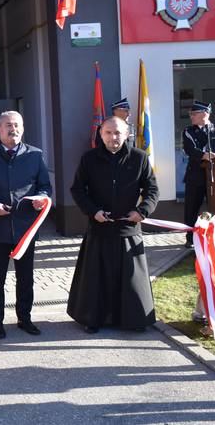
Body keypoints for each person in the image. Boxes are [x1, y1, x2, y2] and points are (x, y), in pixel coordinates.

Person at [67, 116, 159, 333]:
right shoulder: (89, 159)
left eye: (118, 132)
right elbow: (77, 190)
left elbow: (152, 190)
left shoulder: (139, 157)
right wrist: (93, 211)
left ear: (126, 134)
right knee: (96, 278)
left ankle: (134, 320)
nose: (113, 137)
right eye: (108, 132)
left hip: (128, 229)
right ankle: (93, 319)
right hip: (99, 227)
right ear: (101, 134)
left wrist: (142, 211)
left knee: (131, 280)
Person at [0, 111, 51, 339]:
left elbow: (45, 186)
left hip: (26, 228)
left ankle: (24, 318)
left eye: (17, 125)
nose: (13, 129)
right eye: (8, 125)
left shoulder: (35, 155)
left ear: (23, 129)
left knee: (25, 278)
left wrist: (42, 198)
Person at [182, 100, 215, 247]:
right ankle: (190, 238)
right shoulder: (188, 131)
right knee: (191, 209)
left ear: (205, 114)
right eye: (190, 114)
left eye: (194, 114)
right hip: (196, 176)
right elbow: (190, 150)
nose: (191, 116)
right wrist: (205, 155)